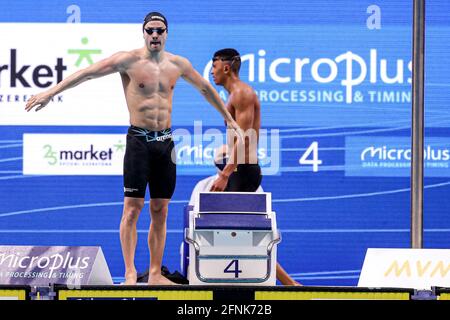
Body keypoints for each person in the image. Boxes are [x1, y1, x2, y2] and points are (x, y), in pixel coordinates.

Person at [24, 12, 242, 286]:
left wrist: (229, 118)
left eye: (159, 31)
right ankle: (129, 272)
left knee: (160, 209)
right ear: (143, 32)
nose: (154, 35)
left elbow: (205, 89)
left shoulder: (178, 64)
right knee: (132, 209)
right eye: (150, 30)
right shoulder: (127, 60)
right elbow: (86, 73)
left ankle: (154, 274)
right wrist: (49, 92)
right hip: (138, 141)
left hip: (165, 143)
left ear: (166, 33)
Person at [208, 48, 301, 286]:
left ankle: (289, 283)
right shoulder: (233, 95)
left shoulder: (242, 93)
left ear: (226, 67)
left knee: (246, 234)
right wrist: (222, 157)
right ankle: (284, 282)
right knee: (236, 232)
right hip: (238, 170)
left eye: (214, 66)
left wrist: (225, 174)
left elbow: (245, 138)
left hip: (243, 173)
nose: (211, 71)